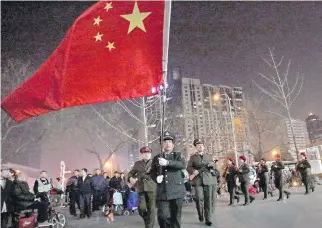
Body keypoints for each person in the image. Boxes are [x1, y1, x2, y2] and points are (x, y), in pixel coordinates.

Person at [150, 131, 186, 228]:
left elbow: (181, 165)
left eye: (170, 141)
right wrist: (156, 178)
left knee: (176, 217)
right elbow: (152, 172)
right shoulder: (157, 157)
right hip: (163, 191)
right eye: (165, 142)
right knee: (162, 216)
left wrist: (167, 162)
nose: (167, 143)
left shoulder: (178, 155)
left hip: (177, 190)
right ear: (162, 144)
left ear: (173, 144)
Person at [187, 138, 215, 226]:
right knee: (199, 198)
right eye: (198, 145)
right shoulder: (193, 157)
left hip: (208, 180)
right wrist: (194, 171)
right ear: (196, 147)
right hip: (198, 180)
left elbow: (213, 165)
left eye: (201, 145)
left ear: (204, 146)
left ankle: (208, 219)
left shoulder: (209, 156)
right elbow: (188, 167)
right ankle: (200, 214)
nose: (200, 146)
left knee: (208, 199)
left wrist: (211, 165)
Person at [128, 146, 156, 228]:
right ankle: (148, 220)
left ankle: (149, 226)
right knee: (141, 208)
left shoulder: (155, 163)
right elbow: (130, 173)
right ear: (142, 154)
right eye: (145, 153)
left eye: (148, 153)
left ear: (150, 154)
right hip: (141, 188)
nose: (147, 154)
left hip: (152, 188)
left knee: (151, 209)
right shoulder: (137, 164)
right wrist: (130, 178)